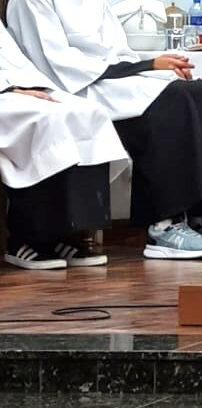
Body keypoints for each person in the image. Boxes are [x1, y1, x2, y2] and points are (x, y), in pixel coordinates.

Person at [7, 0, 202, 260]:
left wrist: (146, 67)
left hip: (111, 79)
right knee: (171, 101)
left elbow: (117, 49)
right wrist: (143, 67)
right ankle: (162, 226)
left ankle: (200, 214)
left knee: (200, 89)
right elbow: (57, 63)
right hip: (76, 89)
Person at [0, 22, 128, 269]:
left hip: (19, 87)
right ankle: (26, 239)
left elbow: (12, 58)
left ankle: (67, 233)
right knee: (45, 120)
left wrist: (27, 84)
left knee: (88, 113)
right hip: (6, 92)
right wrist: (9, 87)